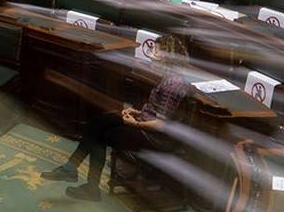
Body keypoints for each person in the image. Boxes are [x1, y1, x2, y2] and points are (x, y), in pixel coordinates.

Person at [41, 34, 191, 201]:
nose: (152, 54)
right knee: (99, 128)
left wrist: (134, 123)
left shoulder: (174, 83)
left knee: (99, 126)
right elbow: (155, 111)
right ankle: (82, 180)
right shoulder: (169, 77)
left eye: (156, 51)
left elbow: (161, 125)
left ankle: (78, 175)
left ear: (168, 54)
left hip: (155, 138)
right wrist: (136, 112)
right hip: (144, 125)